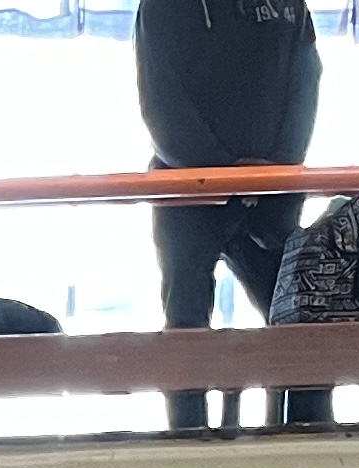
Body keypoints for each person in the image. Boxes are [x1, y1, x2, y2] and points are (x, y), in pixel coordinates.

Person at [136, 0, 320, 432]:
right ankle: (187, 439)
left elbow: (305, 85)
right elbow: (160, 99)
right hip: (188, 191)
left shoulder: (290, 6)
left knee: (297, 317)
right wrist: (219, 173)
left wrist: (277, 170)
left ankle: (304, 436)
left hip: (271, 190)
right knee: (187, 327)